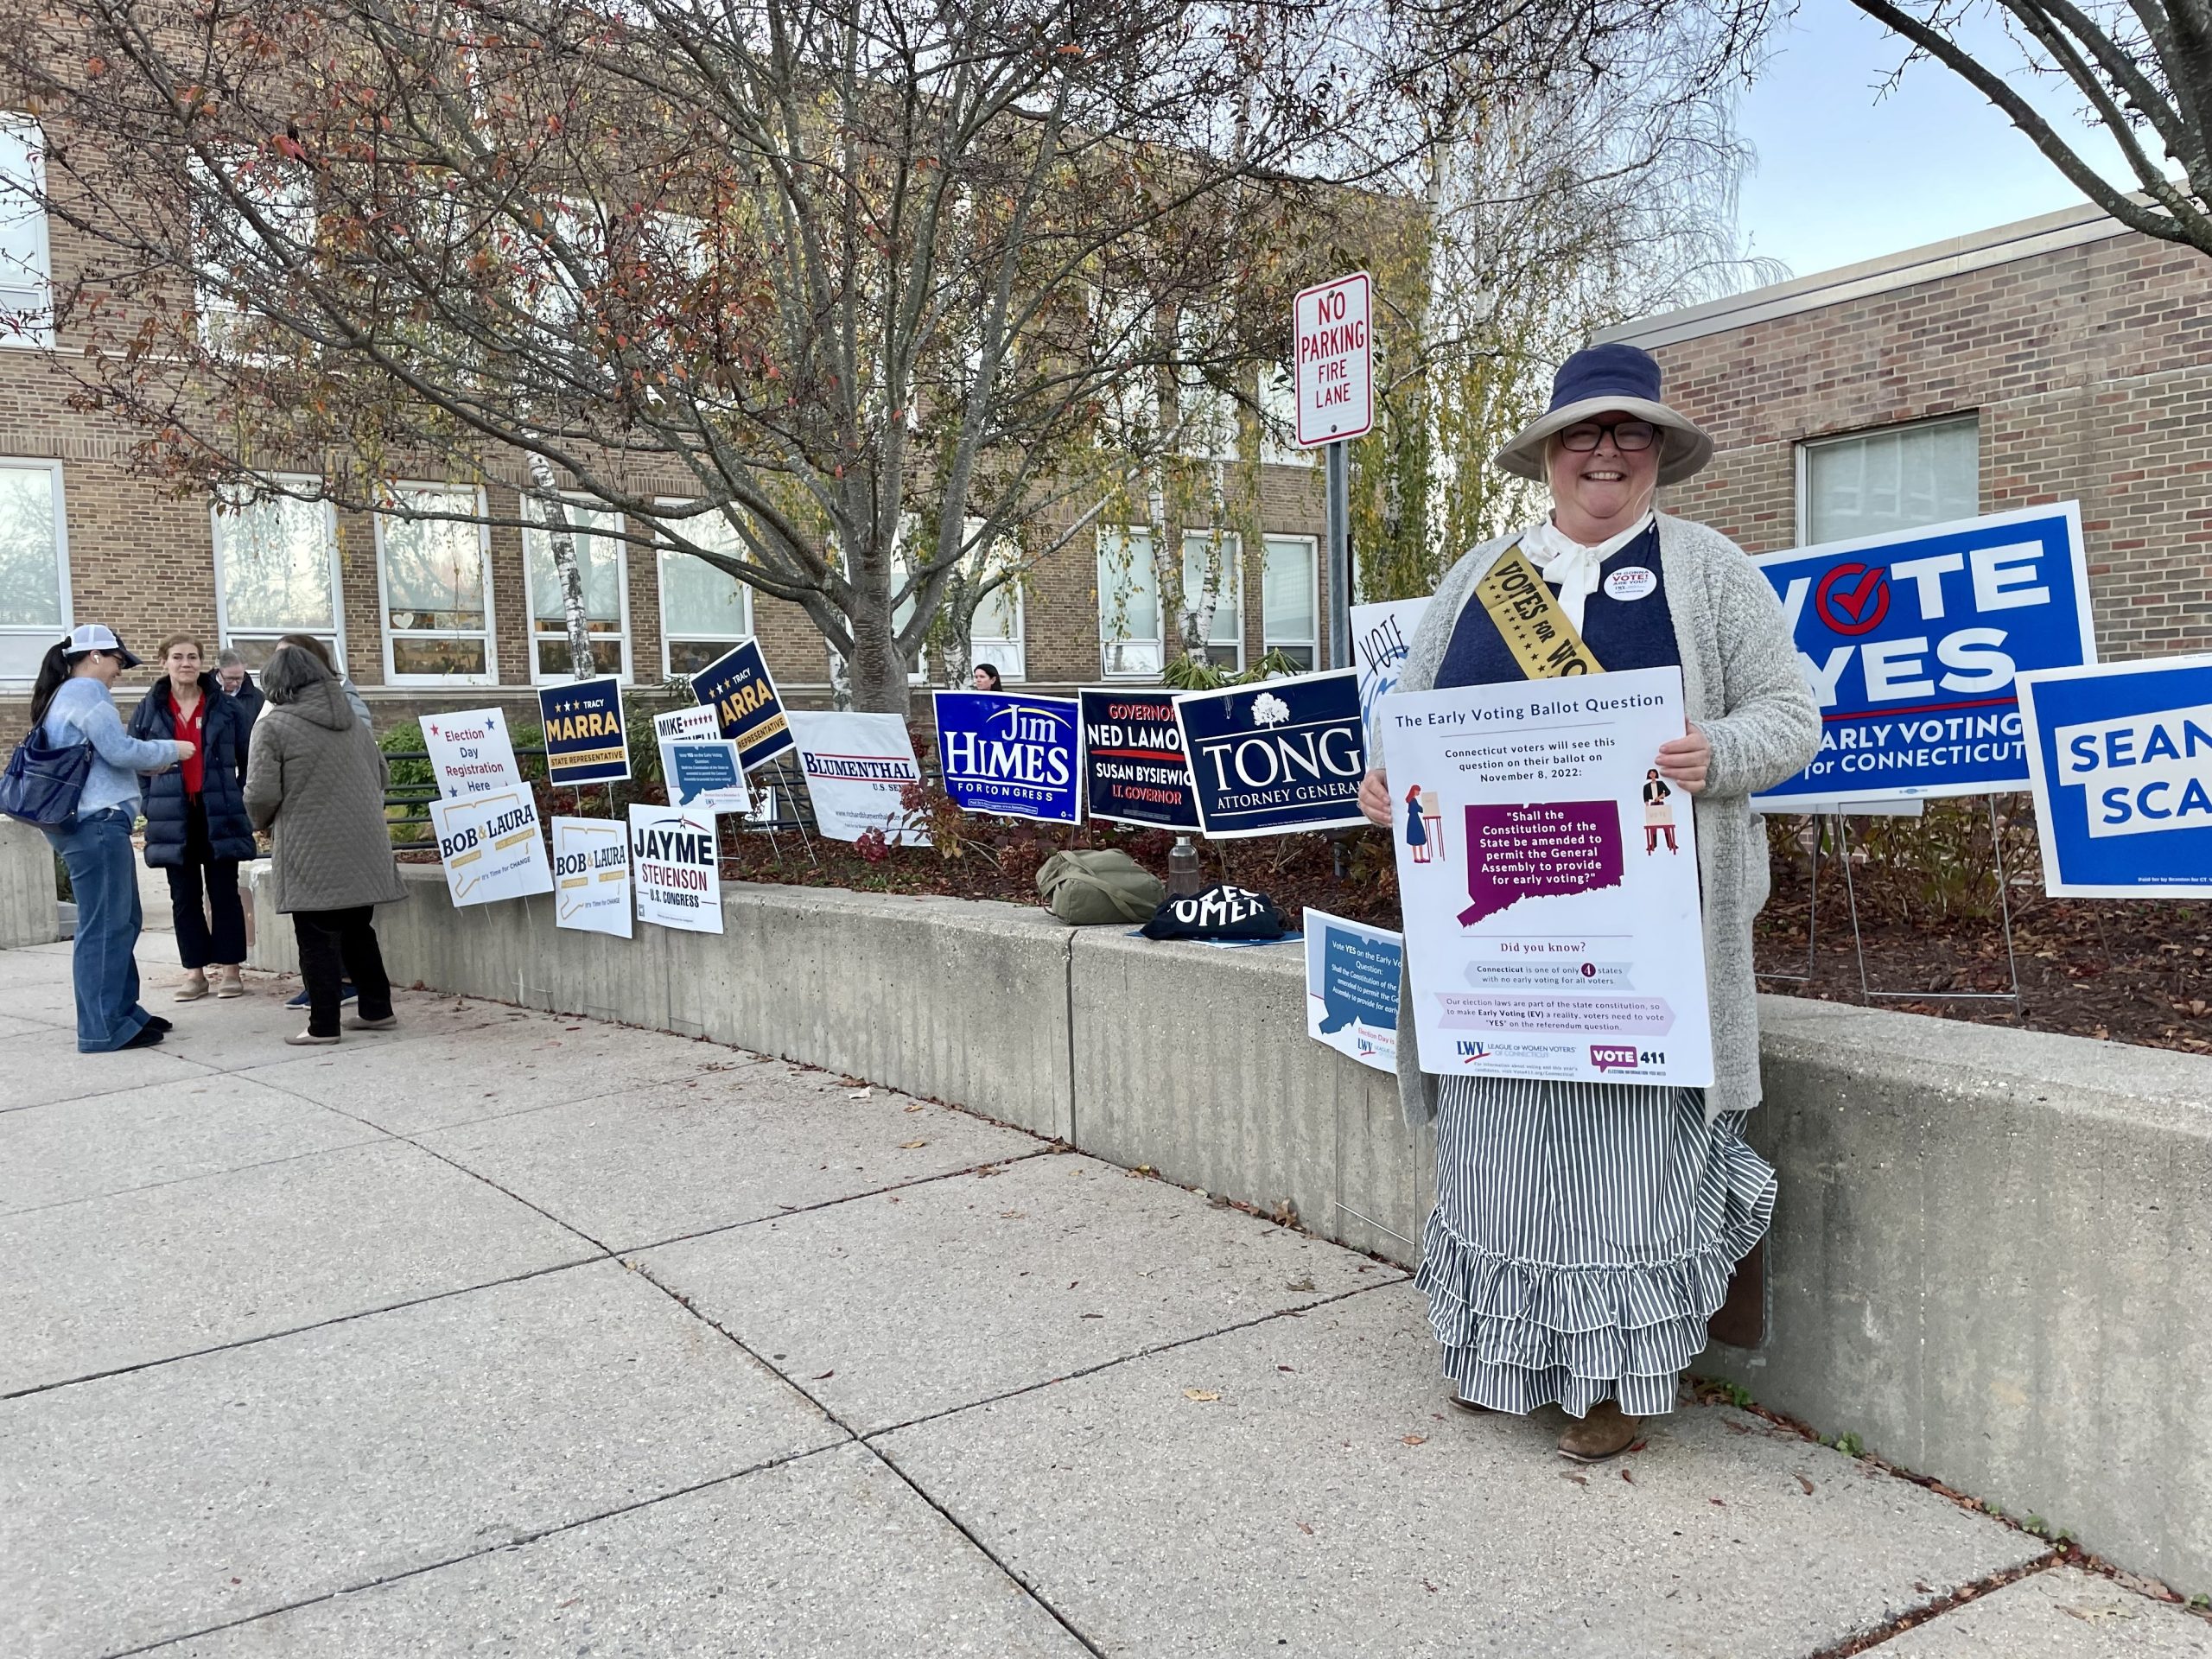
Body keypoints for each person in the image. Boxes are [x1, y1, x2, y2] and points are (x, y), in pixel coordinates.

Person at [1359, 342, 1820, 1463]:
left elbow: (1794, 713)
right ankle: (1499, 1352)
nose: (1604, 452)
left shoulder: (1707, 570)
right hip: (1501, 943)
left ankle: (1613, 1381)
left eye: (1628, 434)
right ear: (1550, 455)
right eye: (1584, 433)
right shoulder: (1481, 575)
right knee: (1499, 1164)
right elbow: (1409, 718)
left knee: (1629, 1170)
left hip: (1642, 946)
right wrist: (1389, 783)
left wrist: (1718, 750)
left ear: (1655, 453)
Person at [29, 626, 194, 1051]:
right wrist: (170, 751)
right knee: (105, 927)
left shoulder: (64, 695)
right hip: (95, 824)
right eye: (119, 661)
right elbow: (118, 751)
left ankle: (123, 1012)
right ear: (96, 656)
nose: (120, 671)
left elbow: (103, 756)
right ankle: (103, 1028)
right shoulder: (85, 693)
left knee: (120, 921)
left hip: (85, 824)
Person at [244, 641, 405, 1045]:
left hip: (309, 845)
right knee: (357, 929)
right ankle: (376, 1008)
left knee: (315, 936)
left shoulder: (273, 726)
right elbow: (382, 776)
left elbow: (260, 793)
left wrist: (262, 823)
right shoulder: (352, 720)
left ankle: (323, 1025)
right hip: (364, 843)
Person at [130, 635, 256, 1000]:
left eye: (193, 657)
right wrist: (149, 802)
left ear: (204, 664)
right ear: (163, 663)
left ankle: (231, 970)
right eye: (177, 657)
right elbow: (136, 759)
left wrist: (241, 797)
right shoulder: (149, 711)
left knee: (224, 893)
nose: (186, 663)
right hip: (173, 815)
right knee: (183, 897)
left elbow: (250, 759)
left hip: (219, 812)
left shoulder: (227, 709)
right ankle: (195, 973)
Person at [215, 648, 265, 732]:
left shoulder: (258, 697)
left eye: (239, 678)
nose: (235, 683)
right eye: (229, 679)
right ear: (218, 671)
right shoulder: (203, 693)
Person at [1643, 768, 1678, 855]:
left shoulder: (1660, 783)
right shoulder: (1646, 786)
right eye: (1651, 774)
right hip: (1652, 805)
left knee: (1666, 824)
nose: (1652, 775)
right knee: (1653, 826)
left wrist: (1660, 796)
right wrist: (1648, 808)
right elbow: (1646, 798)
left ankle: (1670, 844)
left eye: (1654, 773)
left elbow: (1668, 791)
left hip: (1661, 803)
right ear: (1649, 775)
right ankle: (1653, 845)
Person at [1402, 781, 1430, 863]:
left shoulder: (1411, 800)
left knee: (1416, 839)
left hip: (1412, 820)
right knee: (1418, 838)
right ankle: (1419, 857)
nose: (1418, 792)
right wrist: (1425, 808)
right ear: (1414, 791)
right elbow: (1418, 808)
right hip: (1415, 820)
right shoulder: (1413, 800)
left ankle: (1418, 857)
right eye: (1418, 790)